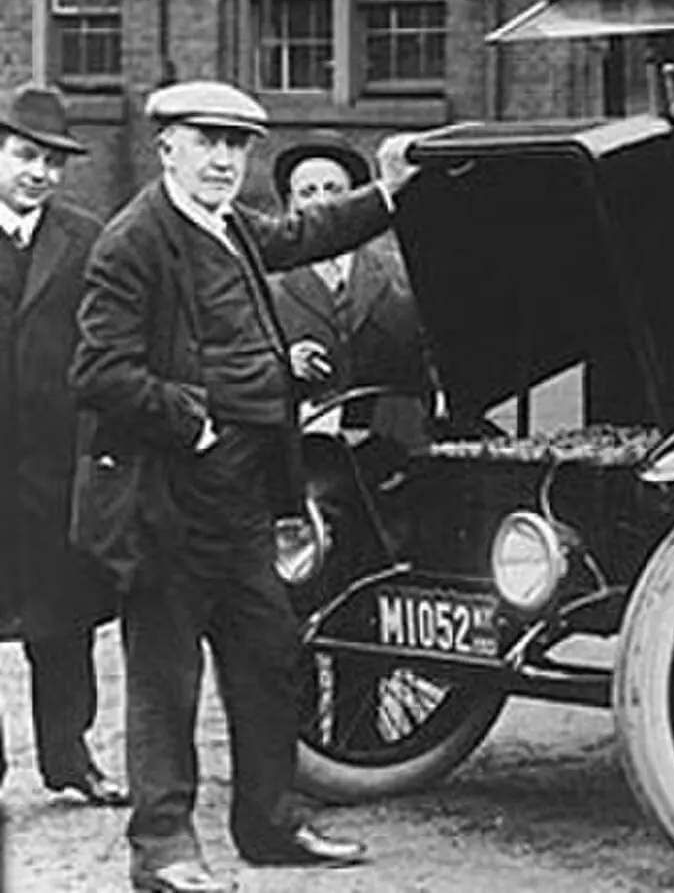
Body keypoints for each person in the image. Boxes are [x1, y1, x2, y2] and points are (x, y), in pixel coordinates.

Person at [69, 81, 418, 893]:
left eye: (237, 144)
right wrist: (193, 421)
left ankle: (269, 825)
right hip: (166, 501)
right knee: (165, 680)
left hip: (246, 501)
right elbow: (99, 372)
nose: (225, 158)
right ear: (168, 149)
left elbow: (307, 230)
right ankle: (161, 850)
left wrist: (390, 193)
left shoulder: (230, 227)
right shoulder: (134, 242)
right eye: (207, 141)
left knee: (268, 658)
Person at [0, 86, 127, 809]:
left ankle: (69, 758)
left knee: (63, 619)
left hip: (55, 464)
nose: (39, 172)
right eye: (24, 155)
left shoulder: (85, 239)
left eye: (52, 161)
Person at [267, 132, 431, 449]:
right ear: (291, 205)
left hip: (393, 445)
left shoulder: (400, 274)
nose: (321, 201)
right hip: (304, 451)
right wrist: (286, 364)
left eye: (333, 189)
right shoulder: (268, 285)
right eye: (307, 192)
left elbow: (430, 361)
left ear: (355, 199)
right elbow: (238, 364)